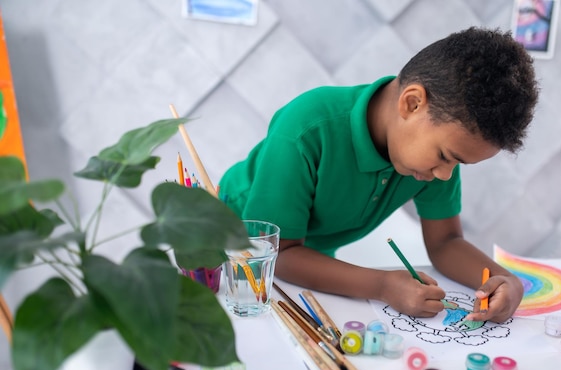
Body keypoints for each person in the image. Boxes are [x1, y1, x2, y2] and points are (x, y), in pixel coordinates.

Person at [219, 27, 539, 323]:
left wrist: (503, 279)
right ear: (412, 104)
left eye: (457, 164)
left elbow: (445, 242)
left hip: (306, 265)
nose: (445, 175)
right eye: (445, 157)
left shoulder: (433, 160)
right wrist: (383, 284)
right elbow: (280, 254)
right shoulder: (306, 129)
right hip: (232, 261)